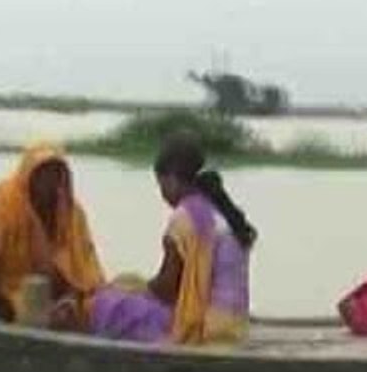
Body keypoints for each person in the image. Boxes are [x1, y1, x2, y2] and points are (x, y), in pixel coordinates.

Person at [89, 131, 254, 345]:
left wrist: (137, 292)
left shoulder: (184, 218)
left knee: (108, 303)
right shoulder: (222, 211)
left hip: (208, 326)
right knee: (128, 282)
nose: (163, 194)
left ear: (171, 179)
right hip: (236, 323)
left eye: (161, 185)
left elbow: (167, 288)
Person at [0, 142, 105, 333]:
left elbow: (81, 267)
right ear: (28, 175)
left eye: (56, 174)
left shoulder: (72, 214)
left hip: (59, 298)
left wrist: (70, 298)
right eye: (43, 174)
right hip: (10, 295)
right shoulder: (8, 205)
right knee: (9, 307)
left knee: (100, 305)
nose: (50, 181)